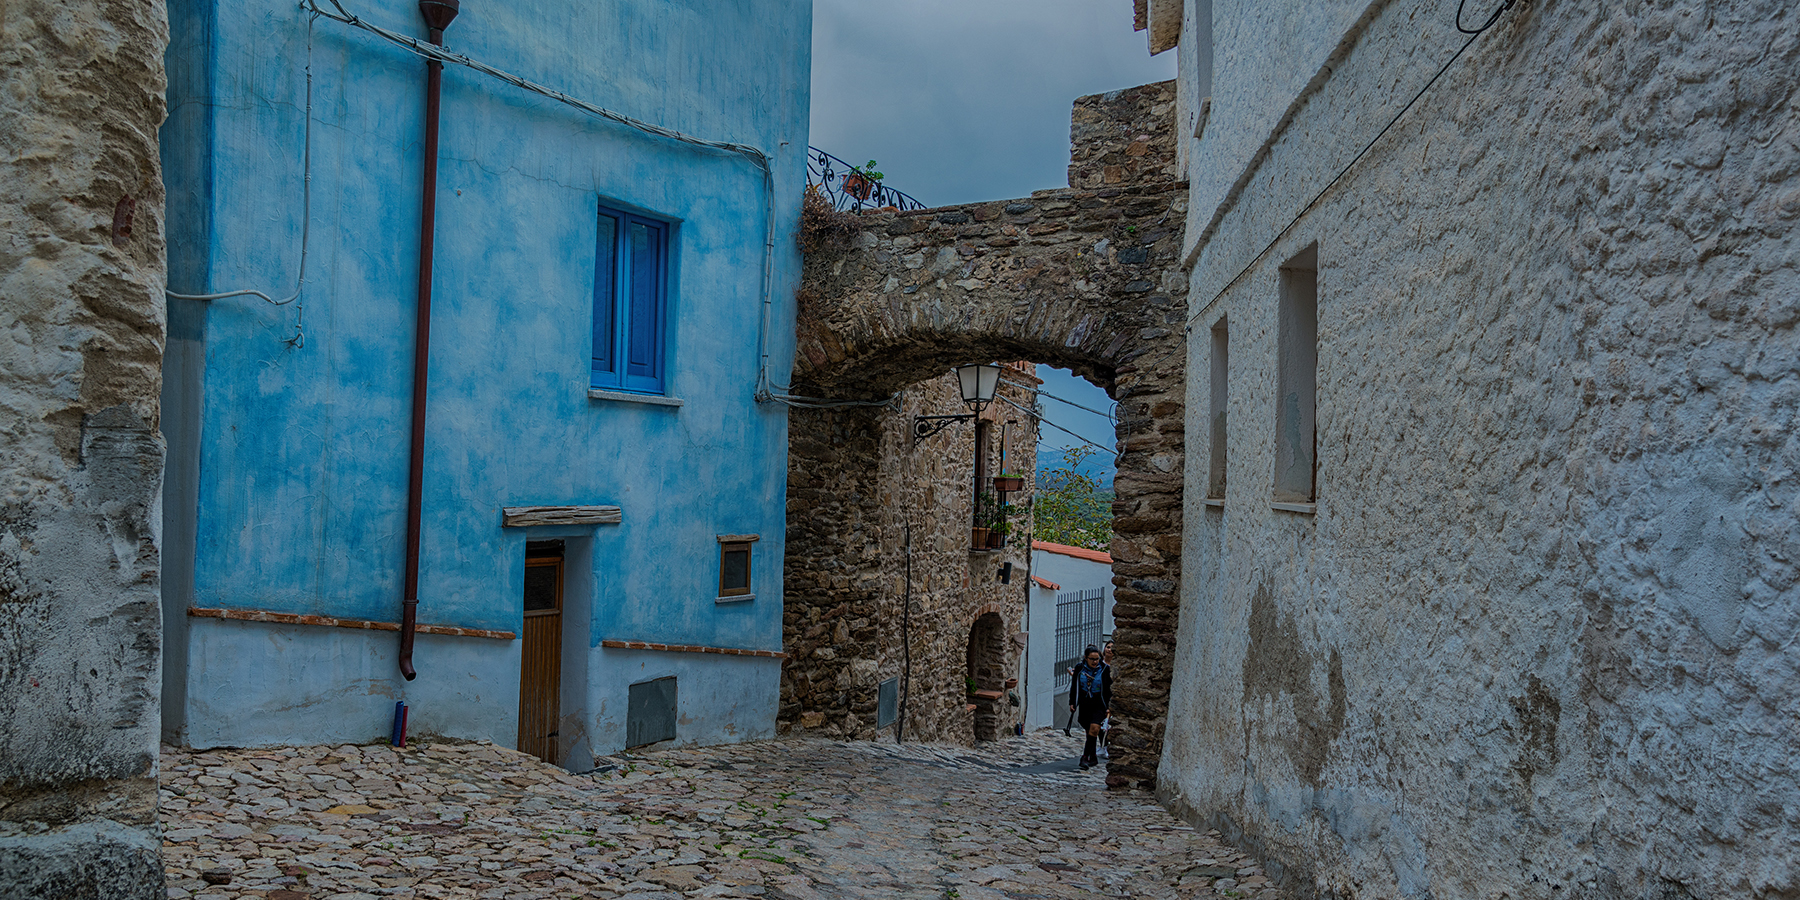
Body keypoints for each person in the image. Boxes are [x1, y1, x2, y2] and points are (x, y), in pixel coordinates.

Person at [1068, 645, 1112, 769]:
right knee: (1089, 732)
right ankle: (1093, 757)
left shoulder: (1104, 669)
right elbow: (1074, 686)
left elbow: (1109, 689)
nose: (1095, 662)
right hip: (1085, 704)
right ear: (1086, 658)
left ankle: (1085, 757)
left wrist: (1109, 706)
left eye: (1097, 659)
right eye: (1092, 659)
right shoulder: (1080, 668)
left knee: (1094, 729)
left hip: (1099, 704)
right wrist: (1072, 702)